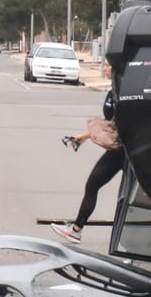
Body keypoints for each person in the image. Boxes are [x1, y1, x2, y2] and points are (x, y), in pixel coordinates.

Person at [53, 90, 124, 243]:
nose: (105, 67)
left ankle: (76, 231)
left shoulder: (120, 90)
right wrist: (83, 137)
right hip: (126, 149)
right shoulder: (121, 87)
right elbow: (111, 126)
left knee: (93, 185)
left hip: (122, 151)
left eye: (108, 66)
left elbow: (115, 127)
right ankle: (76, 230)